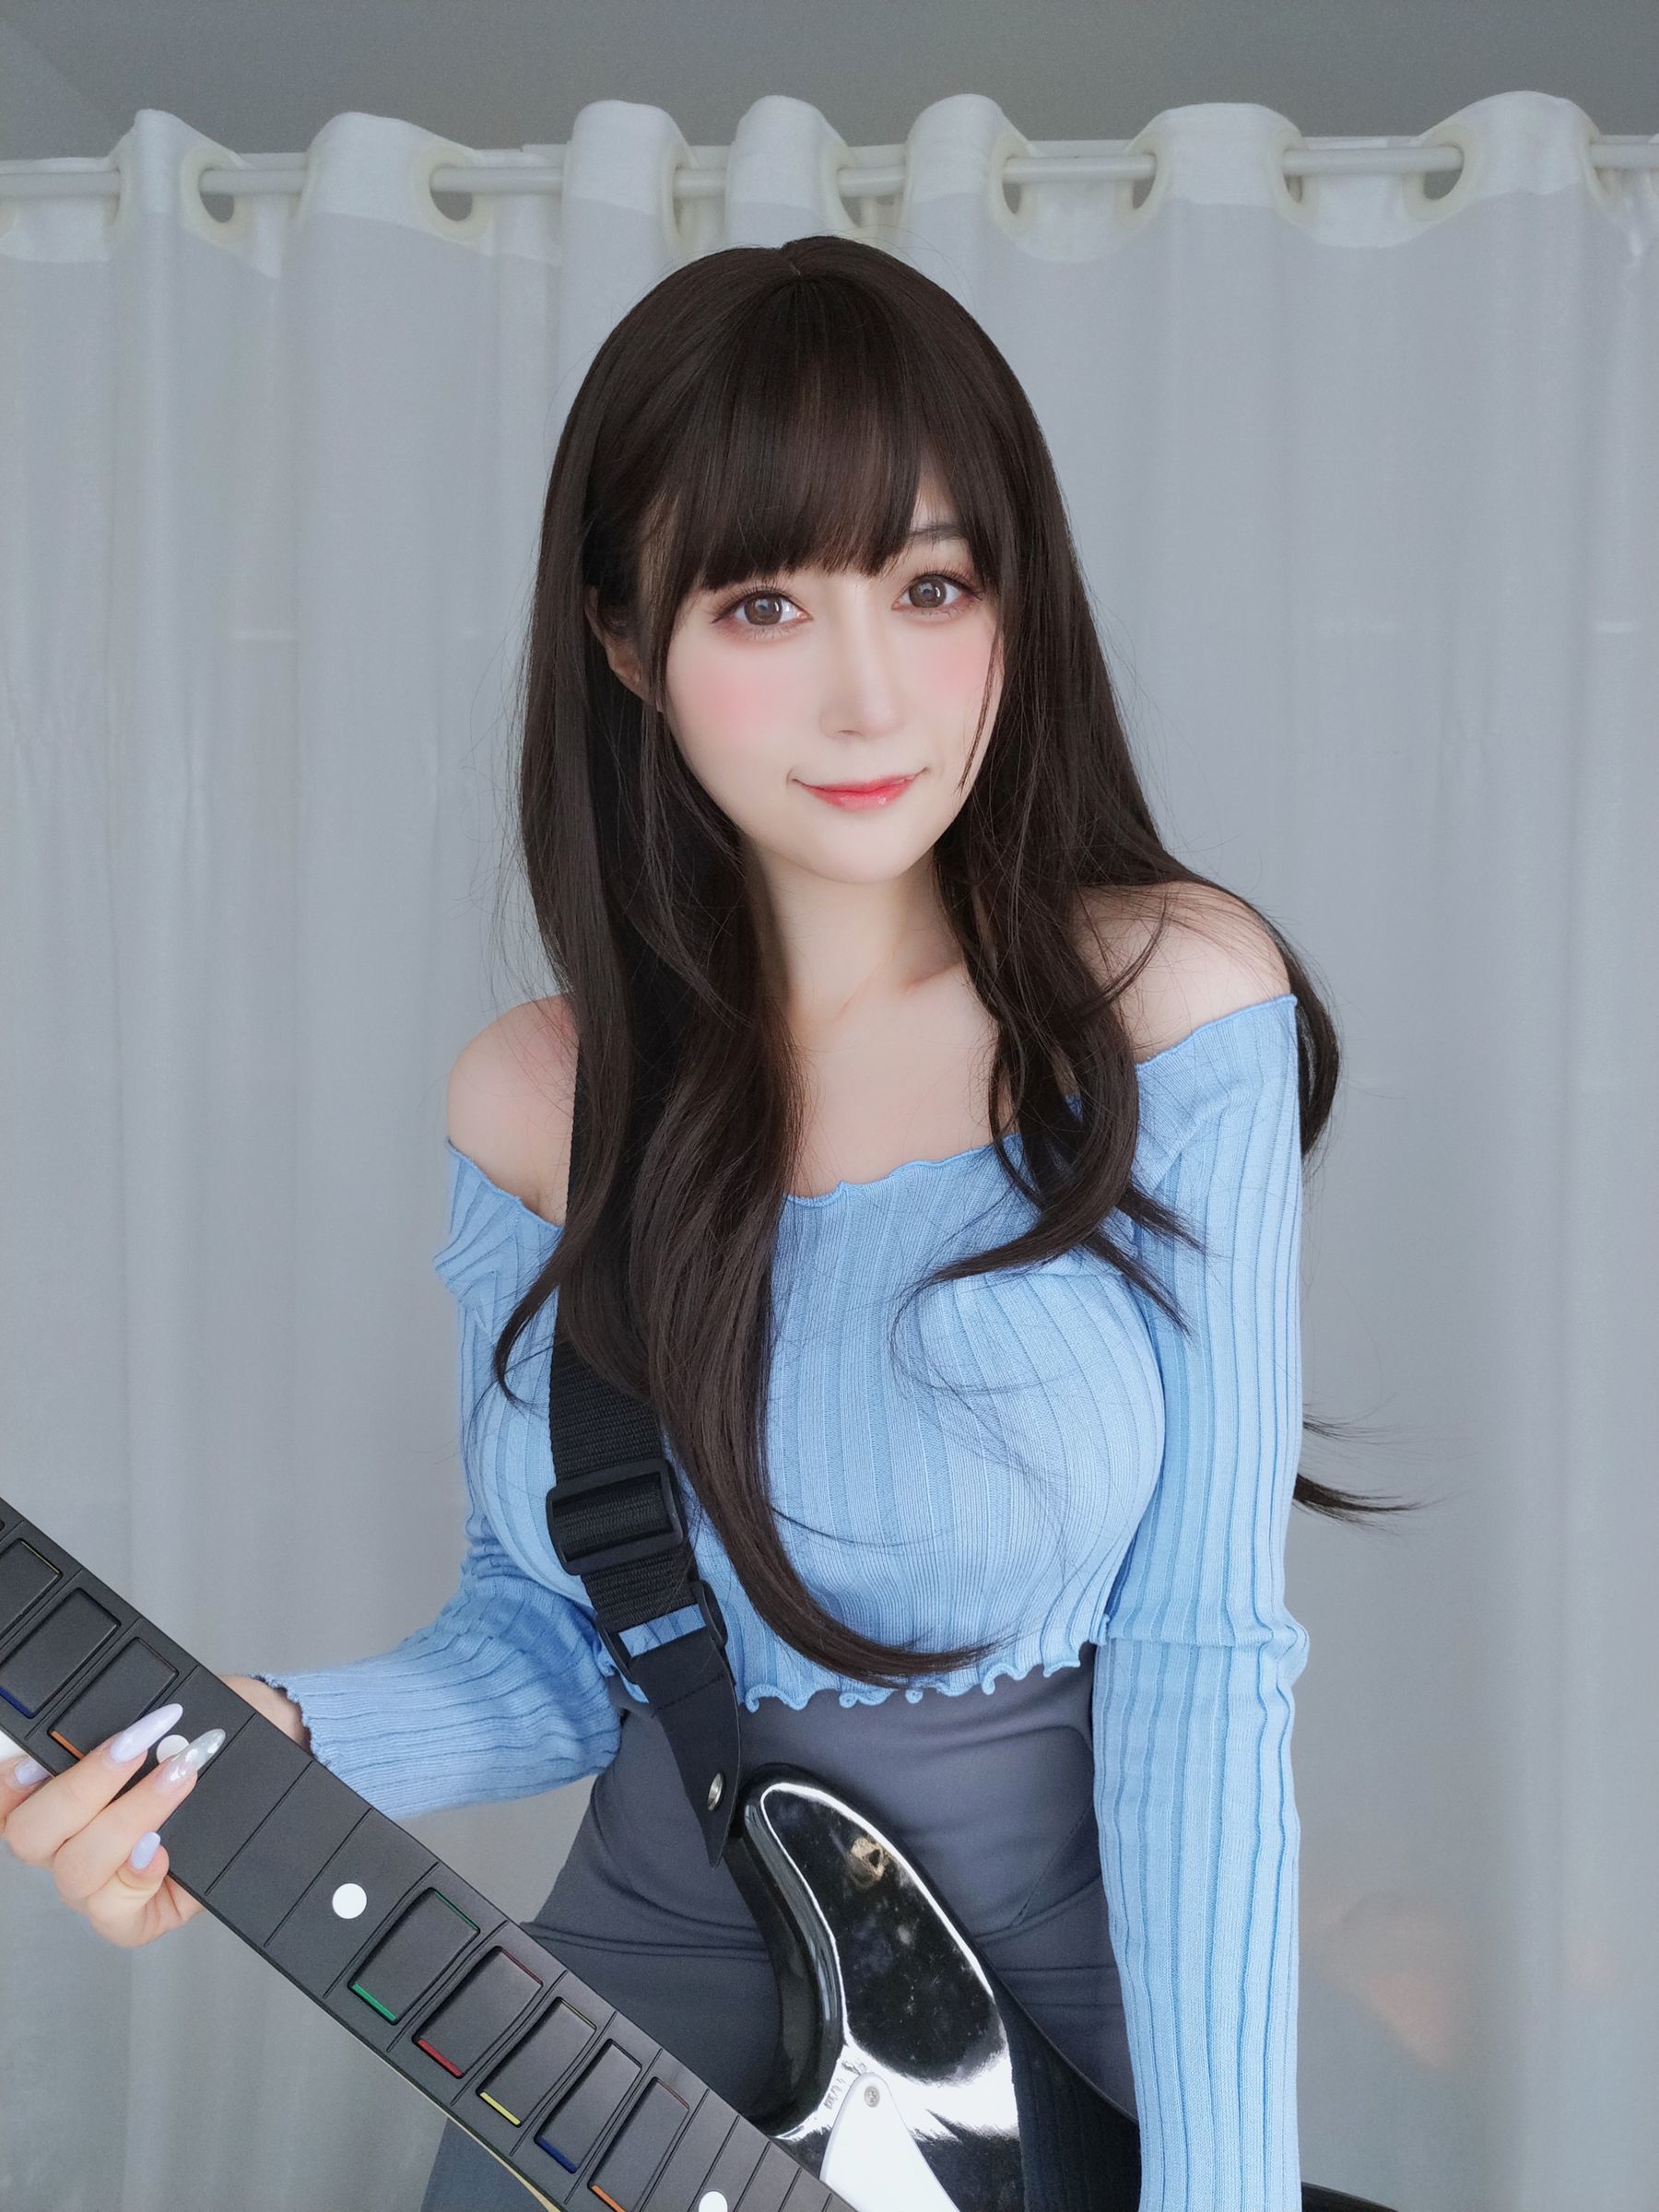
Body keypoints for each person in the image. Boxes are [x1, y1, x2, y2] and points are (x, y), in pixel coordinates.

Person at [2, 235, 1407, 2211]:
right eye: (763, 602)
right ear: (624, 636)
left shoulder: (1167, 1002)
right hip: (599, 2069)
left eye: (932, 588)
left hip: (1043, 2069)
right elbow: (555, 1642)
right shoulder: (535, 1098)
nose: (868, 691)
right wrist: (264, 1745)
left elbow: (1204, 1665)